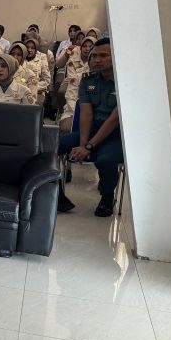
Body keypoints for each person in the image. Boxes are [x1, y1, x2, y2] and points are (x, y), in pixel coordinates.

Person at [57, 39, 122, 217]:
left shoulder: (123, 82)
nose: (97, 60)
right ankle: (56, 193)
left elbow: (114, 120)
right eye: (94, 56)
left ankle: (107, 196)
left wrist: (88, 146)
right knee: (51, 147)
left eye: (103, 55)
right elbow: (86, 114)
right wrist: (83, 144)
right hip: (90, 131)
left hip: (115, 136)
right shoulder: (87, 81)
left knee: (105, 160)